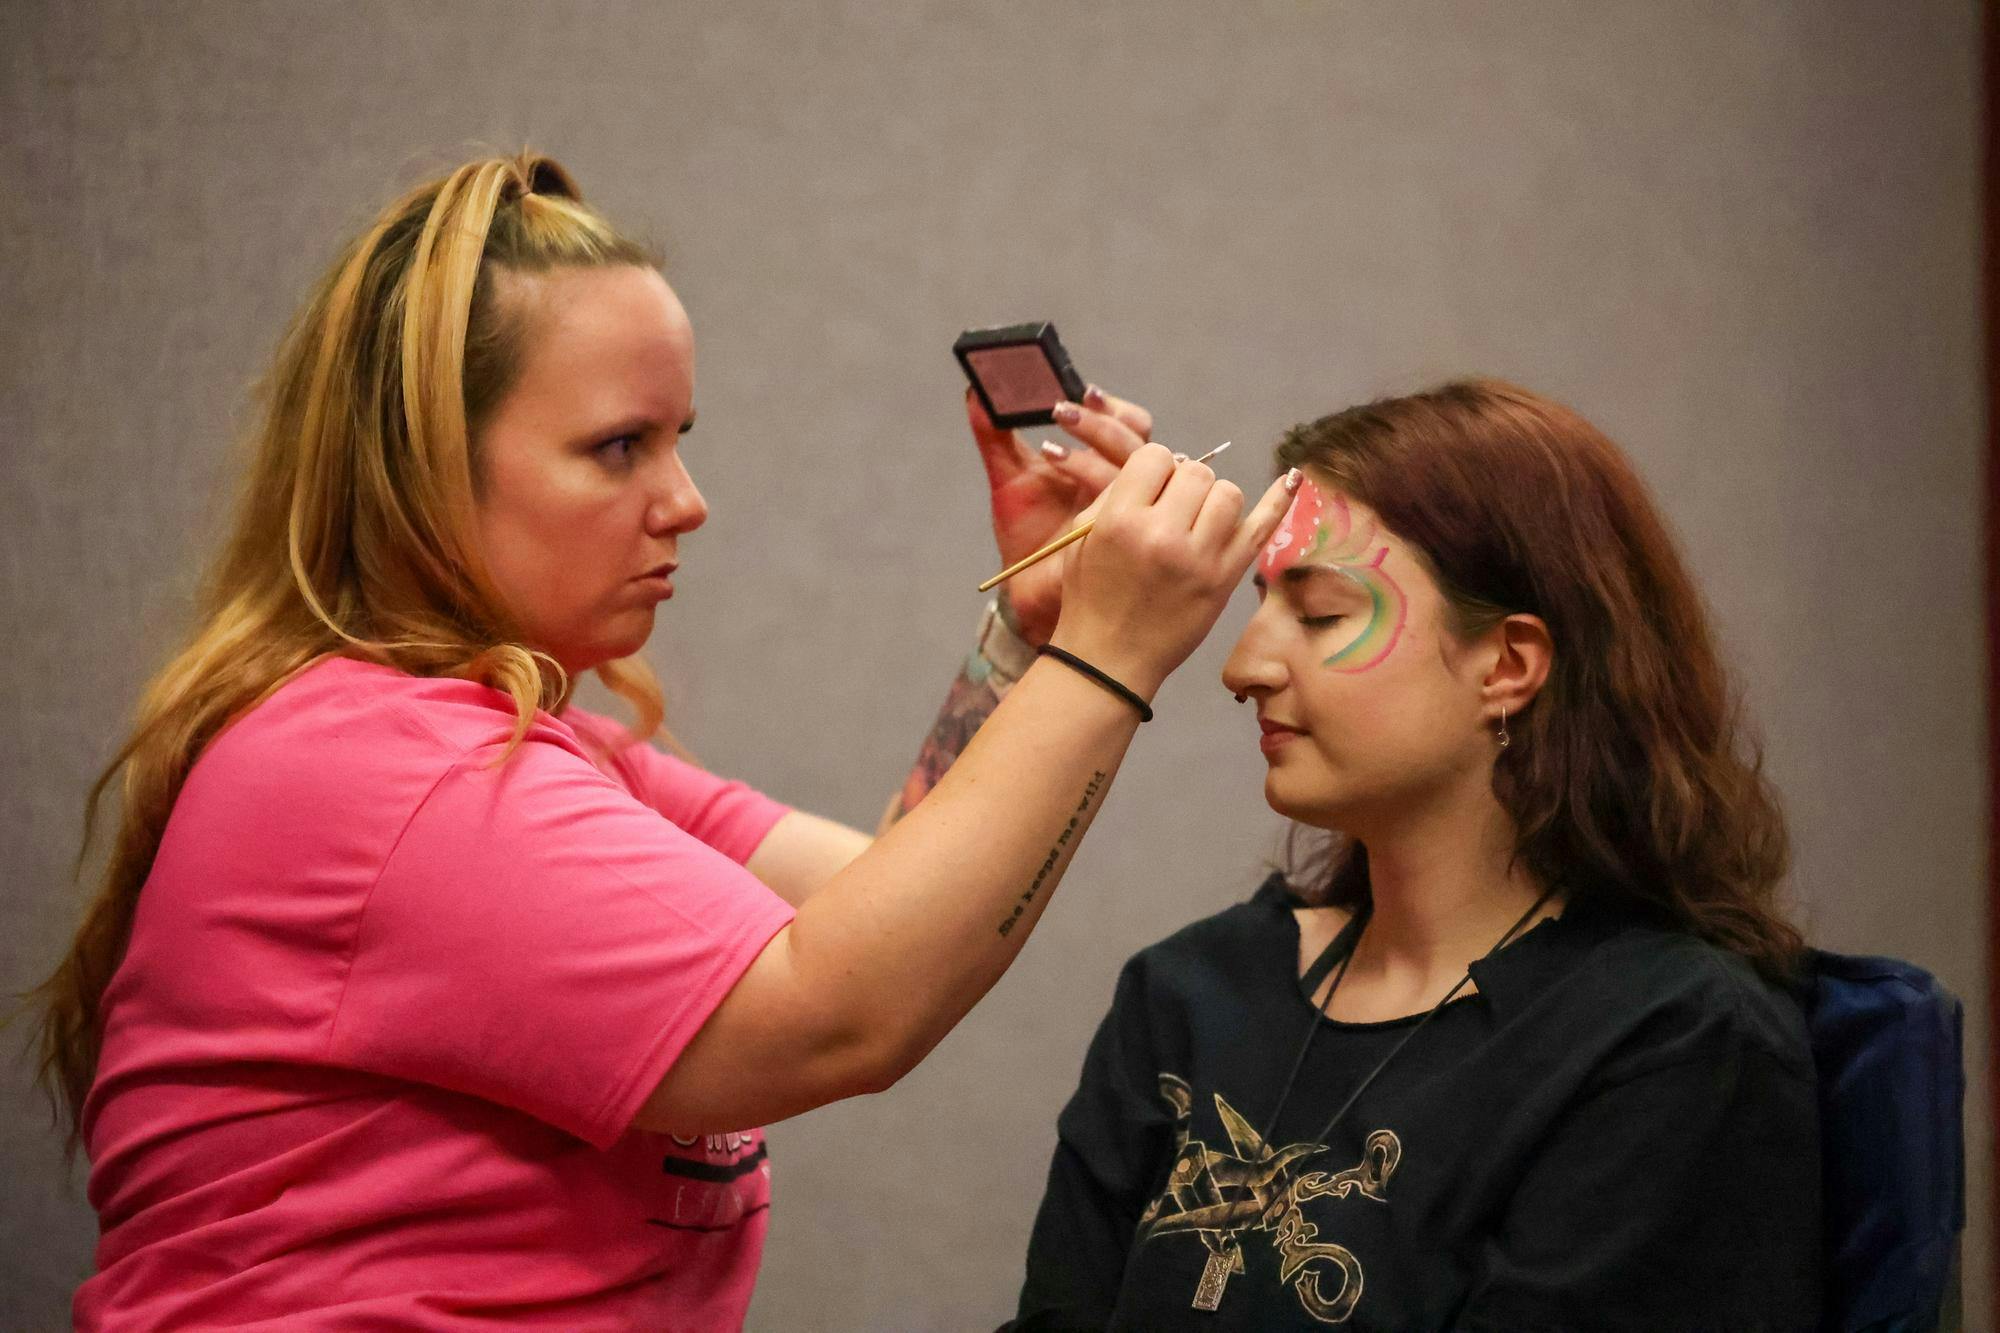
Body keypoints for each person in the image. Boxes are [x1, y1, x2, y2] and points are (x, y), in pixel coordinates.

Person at [26, 151, 1293, 1328]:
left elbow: (886, 903)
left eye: (676, 440)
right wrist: (1105, 659)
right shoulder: (386, 772)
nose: (685, 502)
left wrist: (1026, 638)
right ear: (421, 468)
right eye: (617, 447)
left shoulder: (538, 753)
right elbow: (842, 1015)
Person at [1005, 380, 1823, 1330]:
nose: (1241, 668)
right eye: (1261, 608)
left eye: (1319, 614)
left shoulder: (1670, 1042)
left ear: (1507, 665)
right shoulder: (1191, 996)